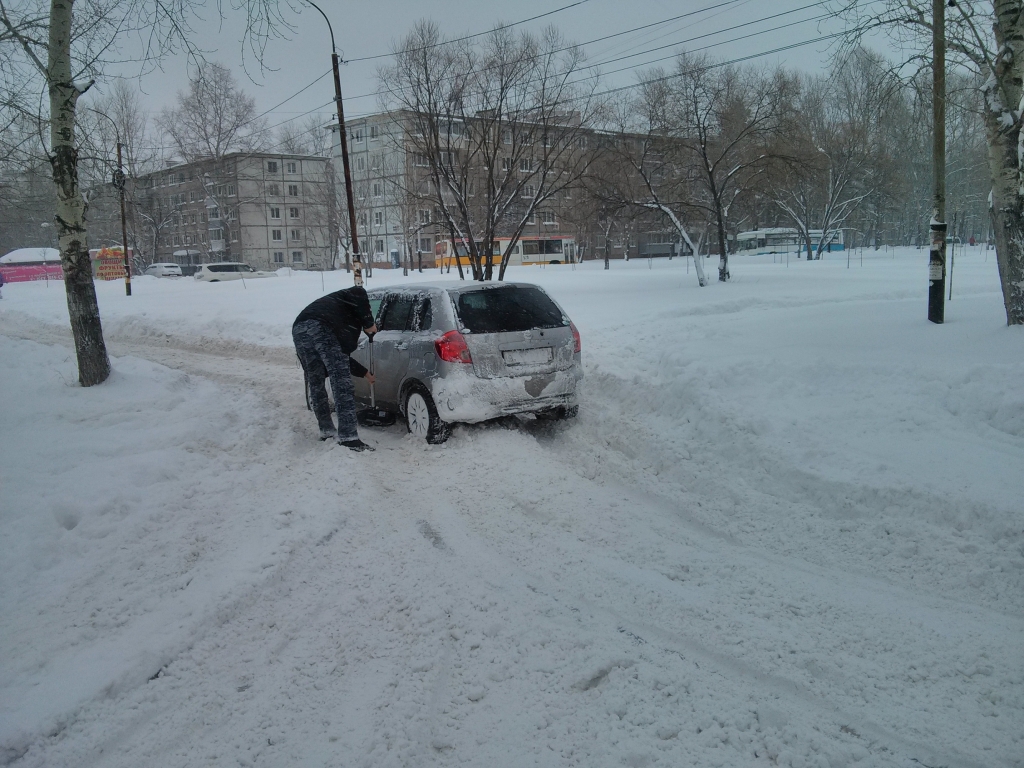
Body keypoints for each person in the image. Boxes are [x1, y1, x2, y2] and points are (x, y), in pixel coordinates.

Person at [292, 285, 378, 451]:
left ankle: (326, 430)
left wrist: (365, 373)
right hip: (321, 326)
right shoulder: (350, 297)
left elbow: (341, 358)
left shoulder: (338, 309)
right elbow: (359, 291)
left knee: (315, 382)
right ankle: (348, 437)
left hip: (299, 328)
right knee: (341, 382)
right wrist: (369, 324)